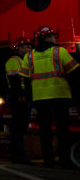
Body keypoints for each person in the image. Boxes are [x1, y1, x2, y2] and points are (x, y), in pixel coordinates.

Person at [20, 26, 79, 168]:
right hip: (60, 95)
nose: (55, 38)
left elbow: (25, 80)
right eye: (53, 35)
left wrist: (30, 99)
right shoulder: (60, 52)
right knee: (62, 129)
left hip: (40, 98)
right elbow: (74, 73)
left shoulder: (29, 56)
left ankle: (48, 160)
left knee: (45, 131)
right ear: (47, 37)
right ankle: (64, 159)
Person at [5, 37, 33, 164]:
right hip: (18, 96)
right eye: (27, 46)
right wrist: (20, 95)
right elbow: (14, 79)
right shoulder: (13, 61)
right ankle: (18, 155)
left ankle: (18, 155)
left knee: (20, 127)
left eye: (30, 46)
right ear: (18, 48)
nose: (30, 49)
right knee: (17, 127)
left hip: (24, 95)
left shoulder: (25, 60)